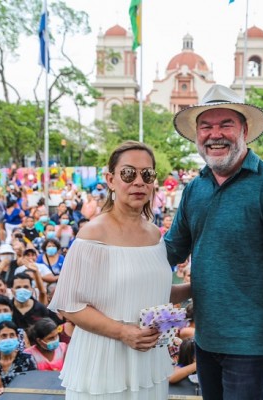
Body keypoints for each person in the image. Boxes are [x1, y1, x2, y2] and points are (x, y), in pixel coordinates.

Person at [166, 84, 263, 398]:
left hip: (253, 346)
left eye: (225, 125)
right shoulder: (195, 188)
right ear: (196, 134)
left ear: (244, 130)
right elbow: (171, 249)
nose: (214, 134)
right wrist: (118, 252)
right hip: (206, 340)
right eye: (205, 126)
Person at [48, 141, 180, 399]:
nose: (139, 182)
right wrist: (123, 332)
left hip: (148, 361)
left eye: (147, 174)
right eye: (128, 173)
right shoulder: (93, 234)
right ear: (110, 179)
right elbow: (69, 305)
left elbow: (151, 291)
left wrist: (198, 289)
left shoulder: (154, 234)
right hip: (104, 363)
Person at [0, 321, 37, 386]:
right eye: (4, 336)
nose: (8, 339)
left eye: (12, 335)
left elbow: (33, 383)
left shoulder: (27, 359)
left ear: (17, 337)